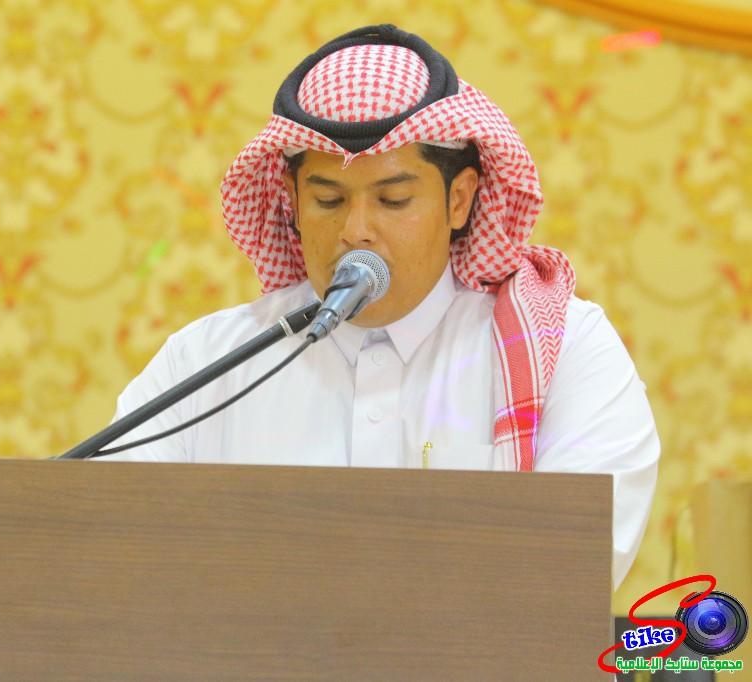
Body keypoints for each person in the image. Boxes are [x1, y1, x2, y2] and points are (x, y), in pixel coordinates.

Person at [103, 24, 658, 587]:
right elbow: (114, 548)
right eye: (328, 200)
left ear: (459, 200)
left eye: (393, 200)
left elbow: (572, 570)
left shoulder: (565, 349)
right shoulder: (204, 363)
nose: (356, 230)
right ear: (292, 202)